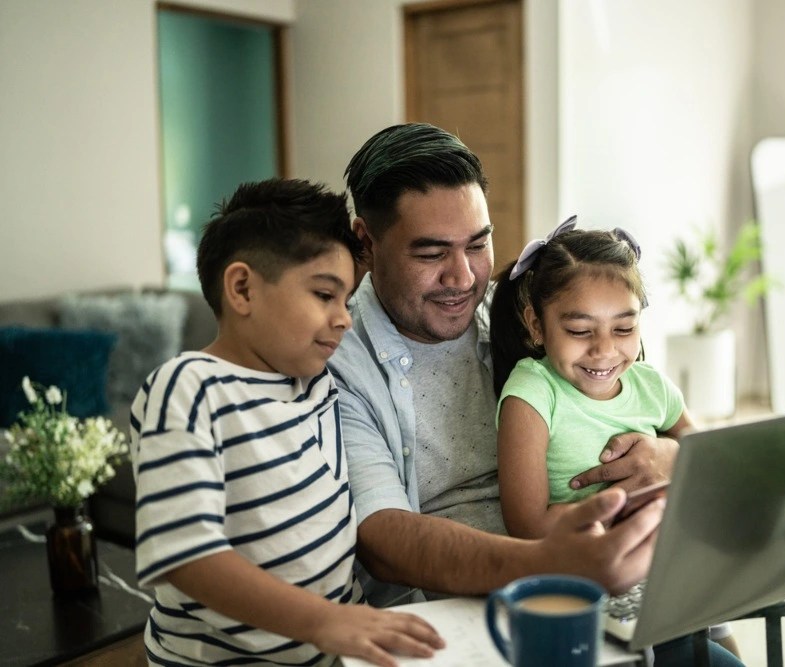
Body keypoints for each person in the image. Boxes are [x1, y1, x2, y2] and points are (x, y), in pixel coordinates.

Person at [330, 123, 746, 666]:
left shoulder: (514, 316)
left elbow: (631, 394)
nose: (463, 277)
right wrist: (556, 560)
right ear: (366, 242)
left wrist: (669, 456)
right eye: (432, 253)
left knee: (719, 640)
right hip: (471, 610)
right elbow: (384, 540)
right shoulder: (338, 362)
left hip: (593, 562)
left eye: (478, 245)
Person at [129, 178, 444, 667]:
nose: (343, 318)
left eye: (347, 300)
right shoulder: (191, 388)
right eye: (324, 294)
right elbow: (187, 556)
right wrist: (325, 622)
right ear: (242, 288)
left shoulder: (315, 385)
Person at [489, 218, 741, 660]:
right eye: (581, 331)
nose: (604, 350)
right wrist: (622, 509)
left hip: (665, 569)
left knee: (720, 637)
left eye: (624, 329)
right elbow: (526, 525)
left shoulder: (651, 385)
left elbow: (707, 462)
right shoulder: (532, 391)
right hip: (586, 578)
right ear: (536, 324)